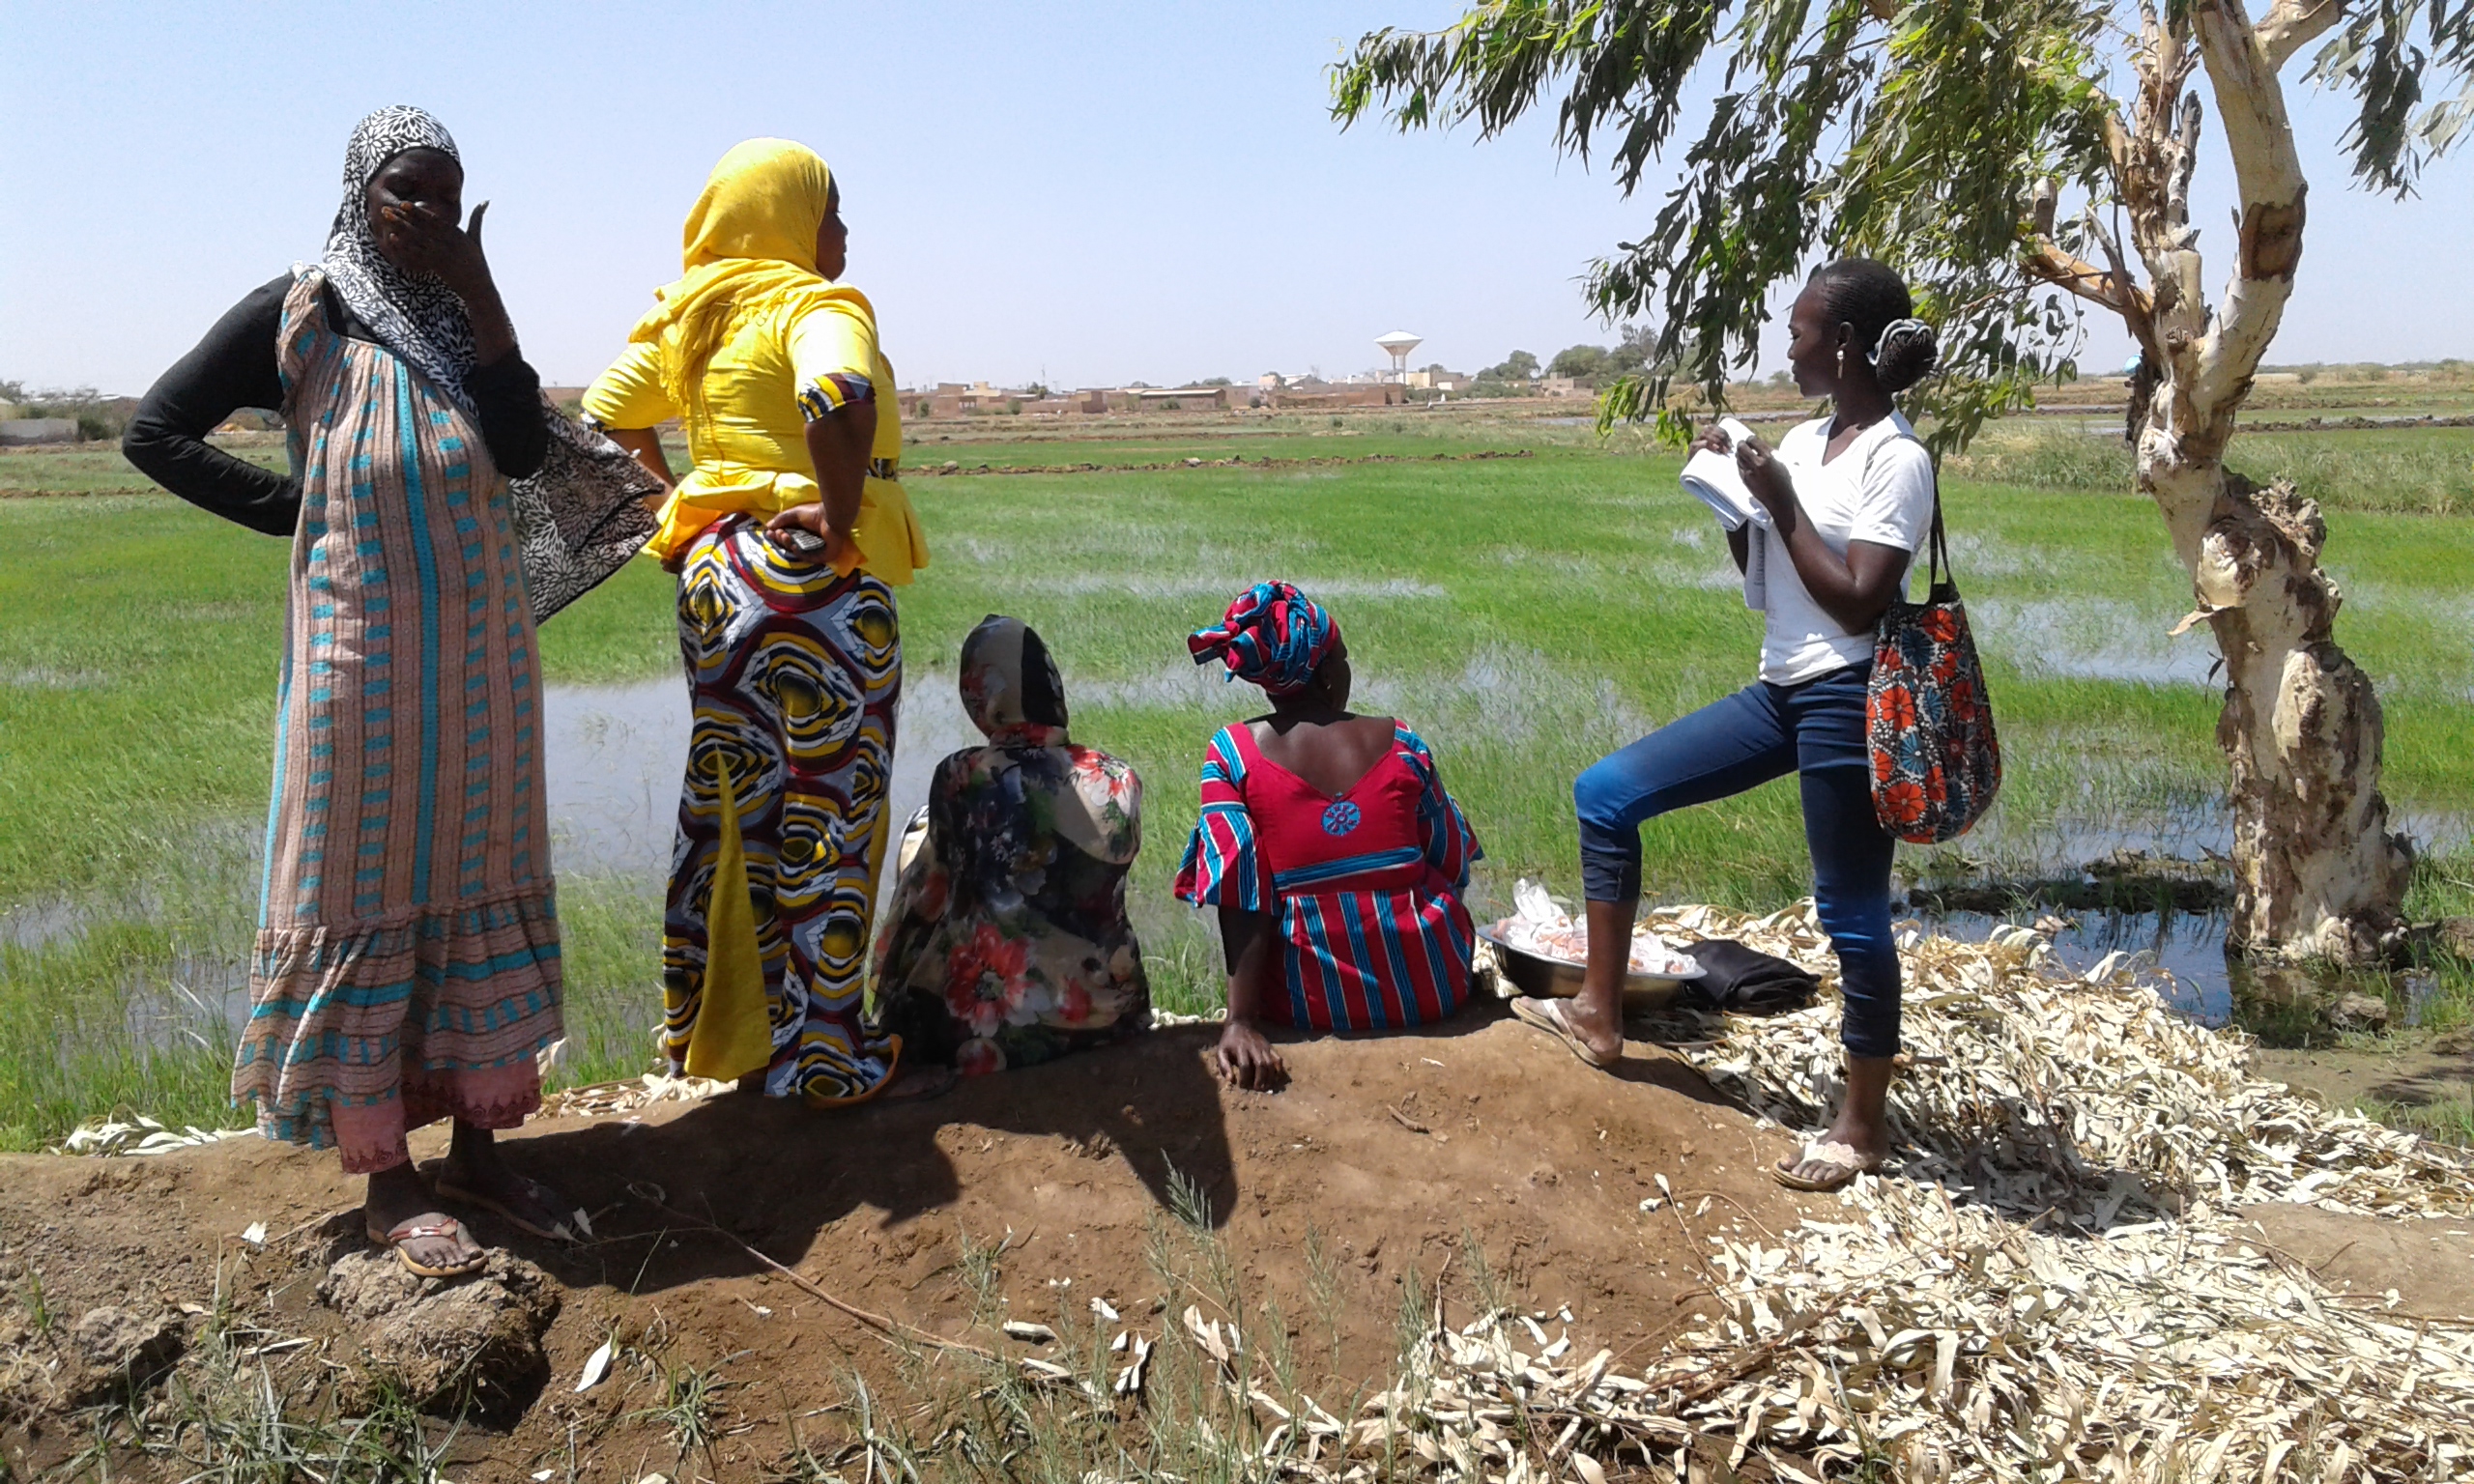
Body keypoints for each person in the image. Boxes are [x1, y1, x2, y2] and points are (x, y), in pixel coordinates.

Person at [122, 106, 573, 1276]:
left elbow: (525, 452)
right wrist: (297, 511)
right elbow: (155, 432)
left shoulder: (461, 321)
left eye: (448, 196)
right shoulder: (300, 310)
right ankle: (387, 1179)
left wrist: (480, 289)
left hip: (482, 659)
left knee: (480, 871)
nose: (428, 213)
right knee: (357, 882)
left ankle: (480, 1151)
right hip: (357, 656)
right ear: (358, 194)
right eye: (405, 191)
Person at [1523, 258, 1940, 1193]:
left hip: (1847, 695)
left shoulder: (1896, 459)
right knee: (1605, 794)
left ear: (1842, 342)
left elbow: (1859, 604)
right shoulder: (1806, 439)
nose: (1787, 345)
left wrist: (1781, 502)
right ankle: (1597, 1014)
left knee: (1851, 914)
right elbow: (1772, 577)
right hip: (1781, 689)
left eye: (1798, 330)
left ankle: (1861, 1126)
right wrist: (1734, 495)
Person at [580, 138, 935, 1106]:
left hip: (717, 576)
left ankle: (729, 1038)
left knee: (735, 806)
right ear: (788, 218)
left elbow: (606, 413)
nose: (843, 232)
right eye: (831, 211)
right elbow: (836, 394)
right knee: (834, 805)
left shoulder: (693, 315)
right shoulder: (815, 306)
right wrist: (840, 512)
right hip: (815, 579)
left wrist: (678, 506)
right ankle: (825, 1057)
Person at [1174, 583, 1482, 1090]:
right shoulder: (1403, 741)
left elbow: (1239, 884)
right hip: (1435, 987)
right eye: (1343, 657)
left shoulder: (1232, 753)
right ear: (1326, 671)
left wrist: (1240, 1020)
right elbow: (1450, 860)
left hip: (1307, 1003)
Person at [871, 614, 1148, 1075]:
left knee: (922, 849)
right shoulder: (1120, 776)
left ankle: (893, 1020)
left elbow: (929, 895)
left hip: (991, 1029)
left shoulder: (962, 776)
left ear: (984, 698)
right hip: (1111, 1015)